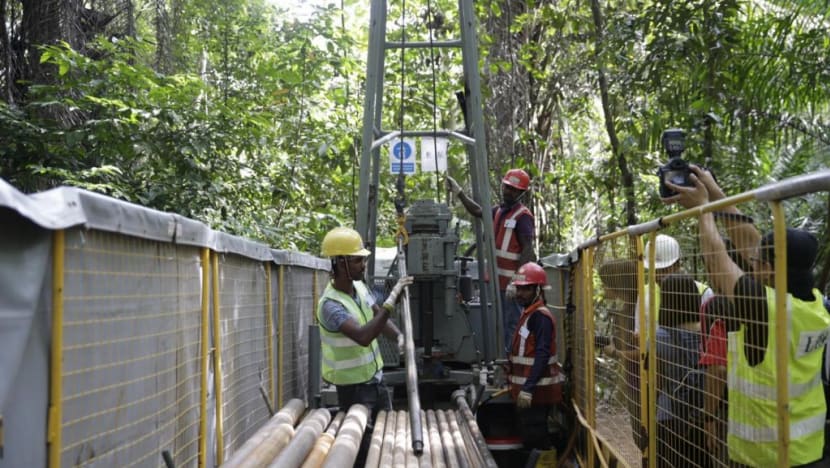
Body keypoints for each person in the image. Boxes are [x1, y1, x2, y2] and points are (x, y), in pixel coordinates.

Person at [667, 166, 830, 467]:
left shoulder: (763, 306)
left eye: (757, 262)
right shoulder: (817, 306)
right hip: (810, 450)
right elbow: (751, 242)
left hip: (769, 456)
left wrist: (704, 210)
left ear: (769, 269)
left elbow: (717, 260)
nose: (751, 263)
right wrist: (714, 193)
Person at [316, 227, 413, 464]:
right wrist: (391, 301)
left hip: (375, 381)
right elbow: (363, 336)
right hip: (353, 389)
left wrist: (399, 336)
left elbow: (378, 316)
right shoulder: (330, 305)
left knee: (386, 438)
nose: (363, 265)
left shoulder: (359, 287)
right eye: (357, 260)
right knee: (362, 450)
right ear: (340, 263)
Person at [446, 168, 536, 353]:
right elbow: (478, 211)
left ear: (521, 193)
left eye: (513, 189)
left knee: (512, 324)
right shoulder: (499, 211)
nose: (508, 191)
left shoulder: (523, 216)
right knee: (500, 324)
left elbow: (528, 249)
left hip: (511, 285)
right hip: (496, 282)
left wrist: (517, 281)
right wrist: (459, 193)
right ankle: (504, 361)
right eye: (507, 187)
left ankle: (513, 364)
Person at [506, 262, 565, 454]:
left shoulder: (541, 317)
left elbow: (542, 354)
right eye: (519, 289)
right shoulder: (528, 314)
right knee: (530, 438)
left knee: (537, 439)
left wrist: (528, 389)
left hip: (537, 393)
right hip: (527, 392)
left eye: (526, 289)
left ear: (538, 290)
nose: (520, 293)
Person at [654, 274, 711, 467]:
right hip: (703, 414)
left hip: (670, 415)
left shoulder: (660, 336)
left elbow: (657, 381)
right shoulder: (709, 332)